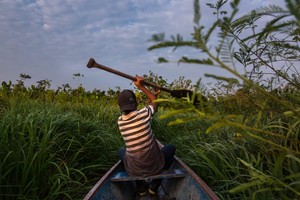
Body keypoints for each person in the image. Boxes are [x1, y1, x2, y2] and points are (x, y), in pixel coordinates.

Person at [117, 76, 176, 197]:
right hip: (155, 166)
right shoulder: (143, 114)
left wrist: (153, 94)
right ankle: (155, 185)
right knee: (171, 148)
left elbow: (152, 101)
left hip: (134, 170)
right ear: (136, 103)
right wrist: (141, 86)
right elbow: (154, 101)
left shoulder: (120, 122)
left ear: (120, 107)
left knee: (121, 151)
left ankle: (140, 186)